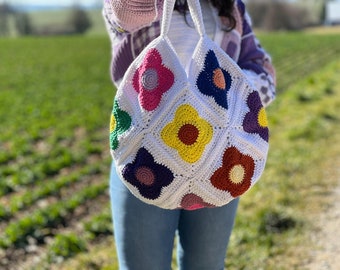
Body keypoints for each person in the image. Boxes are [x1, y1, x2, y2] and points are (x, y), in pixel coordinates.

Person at [102, 0, 276, 269]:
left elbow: (261, 69)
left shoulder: (230, 6)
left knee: (206, 265)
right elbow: (124, 13)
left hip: (219, 158)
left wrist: (227, 95)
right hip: (143, 156)